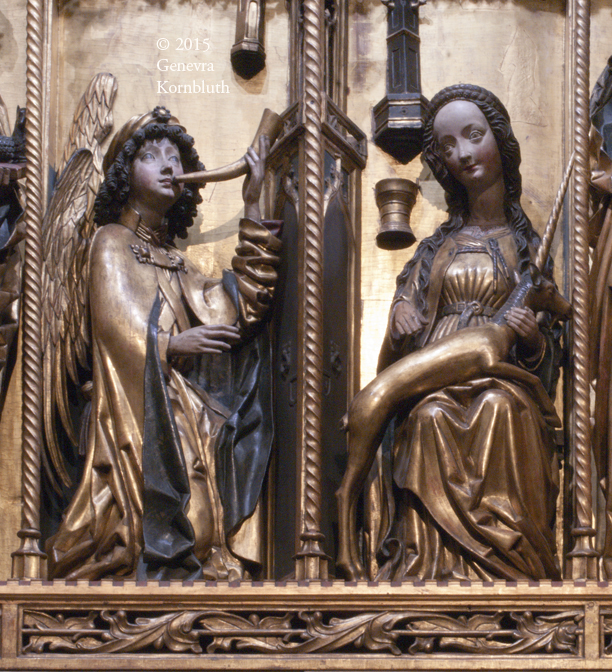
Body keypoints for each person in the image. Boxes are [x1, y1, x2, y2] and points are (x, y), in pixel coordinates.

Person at [46, 107, 281, 580]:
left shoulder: (175, 260)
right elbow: (115, 328)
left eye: (175, 158)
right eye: (151, 156)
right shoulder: (110, 242)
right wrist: (172, 345)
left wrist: (253, 202)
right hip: (131, 405)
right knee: (185, 455)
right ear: (124, 172)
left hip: (178, 403)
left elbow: (238, 308)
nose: (169, 166)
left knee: (240, 429)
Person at [372, 84, 563, 581]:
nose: (462, 153)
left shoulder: (528, 249)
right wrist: (399, 319)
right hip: (437, 372)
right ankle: (428, 569)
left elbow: (554, 351)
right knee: (428, 417)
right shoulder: (435, 248)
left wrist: (533, 340)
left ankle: (510, 567)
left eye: (473, 135)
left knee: (498, 408)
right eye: (448, 145)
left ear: (500, 141)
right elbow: (398, 337)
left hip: (503, 379)